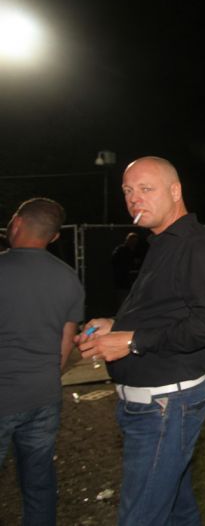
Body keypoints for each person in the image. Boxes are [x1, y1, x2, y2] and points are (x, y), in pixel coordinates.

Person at [75, 156, 205, 526]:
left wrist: (132, 341)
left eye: (146, 188)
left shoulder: (197, 245)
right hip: (153, 405)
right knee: (177, 510)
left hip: (165, 406)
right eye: (128, 191)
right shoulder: (162, 242)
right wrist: (116, 324)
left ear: (175, 191)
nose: (134, 199)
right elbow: (165, 310)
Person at [0, 198, 85, 525]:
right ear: (54, 236)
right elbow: (64, 347)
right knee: (38, 482)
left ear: (17, 222)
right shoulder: (68, 278)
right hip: (43, 397)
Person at [112, 232, 143, 309]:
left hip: (135, 281)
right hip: (123, 280)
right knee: (123, 301)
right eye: (132, 240)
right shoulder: (120, 250)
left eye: (135, 241)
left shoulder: (138, 251)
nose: (133, 242)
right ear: (127, 240)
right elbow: (115, 262)